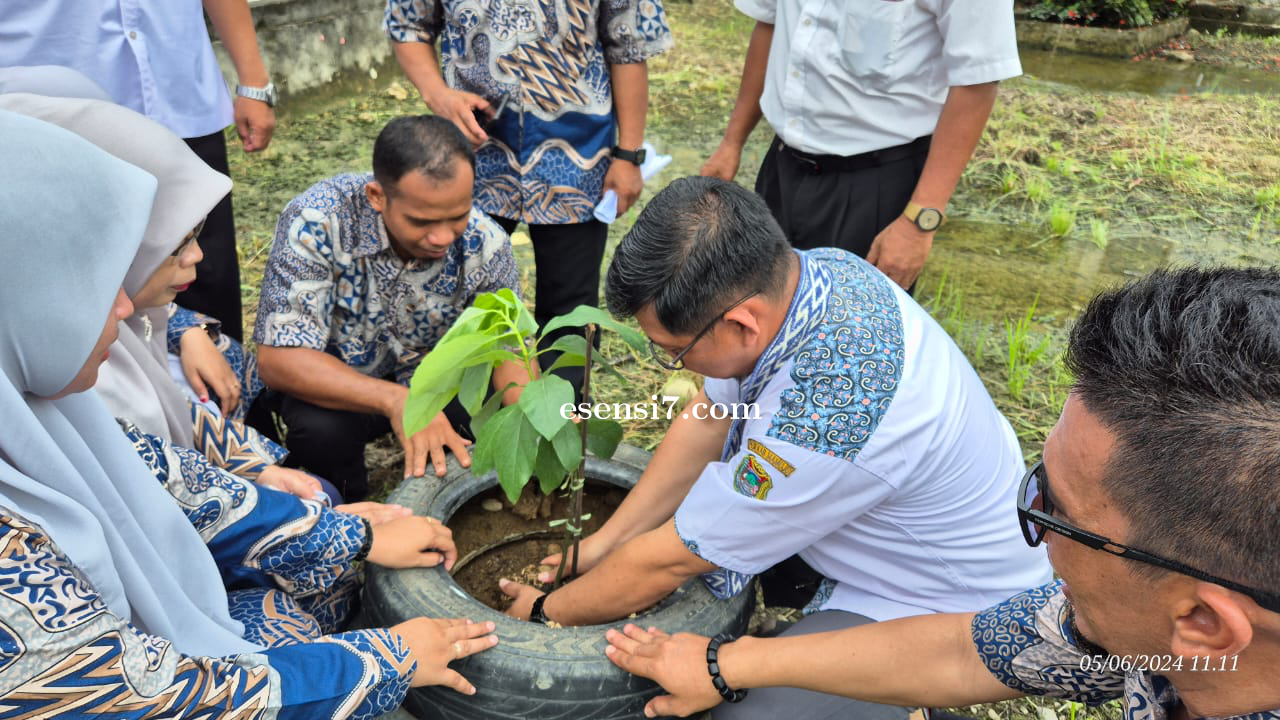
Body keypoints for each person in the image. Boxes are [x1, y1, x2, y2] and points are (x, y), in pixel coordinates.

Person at [603, 266, 1280, 720]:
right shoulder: (1140, 631)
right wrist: (724, 663)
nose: (1030, 521)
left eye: (1057, 515)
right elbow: (962, 650)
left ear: (1205, 624)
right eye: (1039, 482)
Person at [0, 109, 498, 717]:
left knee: (328, 560)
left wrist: (348, 532)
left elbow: (170, 481)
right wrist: (383, 660)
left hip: (171, 605)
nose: (126, 307)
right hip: (158, 681)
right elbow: (138, 697)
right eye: (97, 288)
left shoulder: (45, 401)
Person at [498, 177, 1050, 718]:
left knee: (745, 713)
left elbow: (673, 558)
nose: (672, 364)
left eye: (674, 353)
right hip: (894, 528)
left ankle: (916, 710)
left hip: (947, 603)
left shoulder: (825, 420)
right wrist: (602, 544)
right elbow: (711, 418)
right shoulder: (813, 276)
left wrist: (547, 612)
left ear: (741, 325)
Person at [0, 90, 362, 507]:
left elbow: (178, 419)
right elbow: (155, 490)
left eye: (195, 235)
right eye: (175, 243)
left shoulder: (125, 320)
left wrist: (257, 470)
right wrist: (314, 523)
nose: (197, 256)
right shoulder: (66, 362)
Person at [385, 0, 672, 390]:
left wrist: (629, 154)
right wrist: (437, 94)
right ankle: (458, 416)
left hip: (577, 157)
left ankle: (565, 417)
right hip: (470, 158)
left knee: (570, 311)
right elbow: (407, 23)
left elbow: (628, 44)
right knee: (454, 296)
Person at [254, 115, 527, 501]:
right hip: (342, 385)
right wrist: (398, 400)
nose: (443, 237)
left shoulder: (487, 242)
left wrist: (527, 437)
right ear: (377, 197)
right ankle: (347, 507)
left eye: (458, 216)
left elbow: (509, 349)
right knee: (321, 430)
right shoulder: (317, 222)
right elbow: (278, 359)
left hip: (438, 383)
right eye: (422, 221)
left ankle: (455, 493)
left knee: (493, 411)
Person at [0, 0, 280, 340]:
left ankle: (216, 369)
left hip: (179, 97)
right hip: (58, 117)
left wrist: (254, 82)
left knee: (204, 272)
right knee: (84, 294)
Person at [701, 0, 1020, 290]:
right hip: (781, 167)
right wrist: (732, 142)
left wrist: (919, 221)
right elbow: (770, 23)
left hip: (875, 184)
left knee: (851, 322)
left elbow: (976, 81)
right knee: (758, 305)